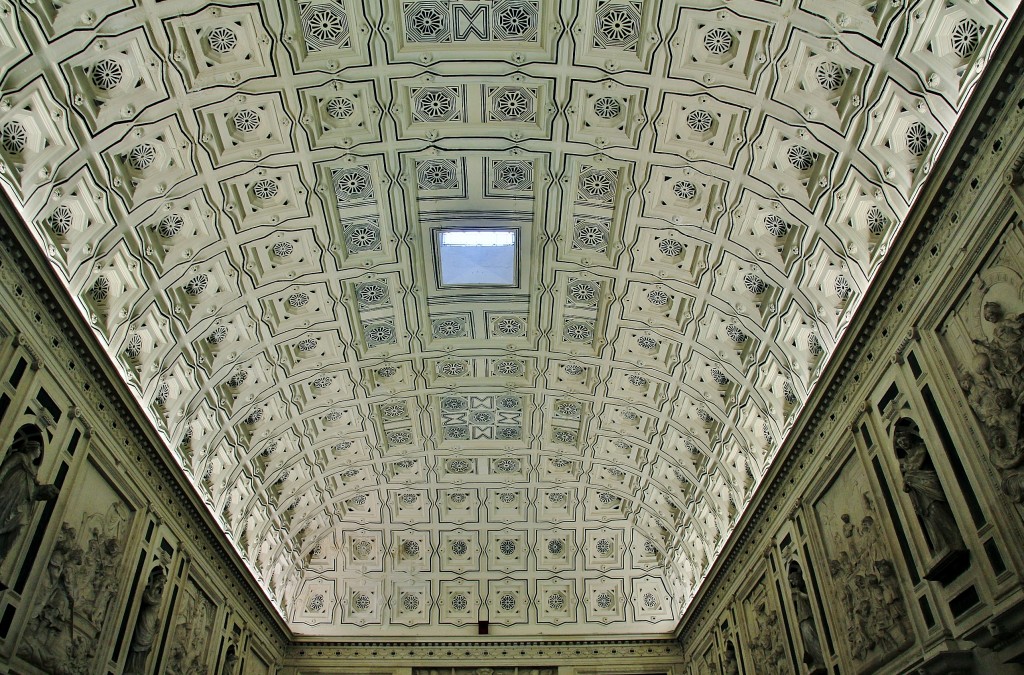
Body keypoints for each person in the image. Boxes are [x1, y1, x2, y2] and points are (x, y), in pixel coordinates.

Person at [894, 424, 964, 554]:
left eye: (904, 439)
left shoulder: (920, 448)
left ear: (909, 438)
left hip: (930, 485)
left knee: (937, 510)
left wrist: (908, 477)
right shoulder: (907, 459)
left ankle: (956, 539)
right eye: (899, 442)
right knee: (930, 517)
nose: (903, 443)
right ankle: (942, 546)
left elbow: (915, 467)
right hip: (920, 493)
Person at [0, 438, 60, 563]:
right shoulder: (20, 456)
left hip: (23, 500)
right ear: (32, 448)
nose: (40, 451)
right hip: (11, 492)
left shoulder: (34, 469)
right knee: (3, 515)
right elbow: (6, 467)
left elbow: (35, 488)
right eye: (39, 448)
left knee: (20, 525)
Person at [125, 567, 167, 674]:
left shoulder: (159, 598)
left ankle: (137, 669)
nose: (161, 585)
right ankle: (132, 668)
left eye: (162, 583)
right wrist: (154, 587)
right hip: (145, 619)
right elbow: (147, 598)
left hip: (151, 623)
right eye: (159, 582)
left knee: (144, 648)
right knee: (138, 642)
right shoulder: (153, 595)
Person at [788, 562, 826, 673]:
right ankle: (816, 660)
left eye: (794, 580)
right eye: (792, 582)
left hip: (808, 615)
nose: (794, 583)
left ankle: (821, 659)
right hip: (802, 617)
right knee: (807, 639)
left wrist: (799, 593)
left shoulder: (803, 588)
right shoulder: (797, 592)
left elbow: (811, 597)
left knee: (810, 633)